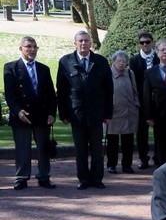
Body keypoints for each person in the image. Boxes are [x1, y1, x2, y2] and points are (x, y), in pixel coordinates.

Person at [57, 30, 114, 190]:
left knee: (97, 150)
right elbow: (61, 91)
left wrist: (108, 113)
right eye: (80, 41)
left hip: (97, 114)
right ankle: (83, 179)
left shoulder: (100, 61)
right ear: (75, 43)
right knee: (80, 151)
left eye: (86, 41)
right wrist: (63, 113)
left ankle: (97, 179)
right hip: (77, 114)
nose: (83, 43)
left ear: (91, 43)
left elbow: (109, 90)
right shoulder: (65, 61)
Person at [4, 36, 57, 190]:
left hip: (41, 115)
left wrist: (52, 113)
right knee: (22, 148)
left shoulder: (44, 69)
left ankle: (44, 176)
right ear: (21, 49)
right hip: (22, 115)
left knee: (43, 148)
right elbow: (10, 95)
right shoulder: (11, 68)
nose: (32, 49)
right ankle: (21, 177)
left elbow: (51, 95)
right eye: (28, 46)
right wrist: (18, 111)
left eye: (34, 46)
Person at [107, 51, 139, 174]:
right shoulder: (108, 74)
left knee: (128, 141)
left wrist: (136, 104)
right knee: (112, 141)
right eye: (119, 61)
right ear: (113, 62)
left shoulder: (130, 74)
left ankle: (127, 165)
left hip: (129, 112)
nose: (121, 63)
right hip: (114, 113)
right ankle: (112, 165)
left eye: (124, 61)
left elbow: (135, 91)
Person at [129, 31, 155, 170]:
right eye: (142, 42)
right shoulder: (134, 60)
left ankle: (159, 156)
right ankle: (143, 158)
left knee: (160, 131)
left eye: (147, 42)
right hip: (141, 101)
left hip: (157, 100)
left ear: (152, 43)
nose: (145, 45)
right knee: (141, 132)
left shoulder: (158, 58)